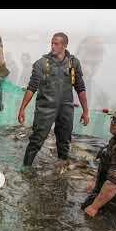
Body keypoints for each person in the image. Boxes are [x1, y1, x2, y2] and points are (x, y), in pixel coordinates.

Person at [18, 32, 90, 167]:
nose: (52, 46)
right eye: (52, 43)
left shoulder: (73, 63)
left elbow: (80, 87)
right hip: (45, 108)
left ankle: (62, 167)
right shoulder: (41, 64)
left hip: (66, 109)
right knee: (36, 140)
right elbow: (31, 87)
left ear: (65, 45)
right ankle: (25, 168)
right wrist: (22, 109)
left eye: (56, 44)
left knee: (64, 140)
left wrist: (85, 111)